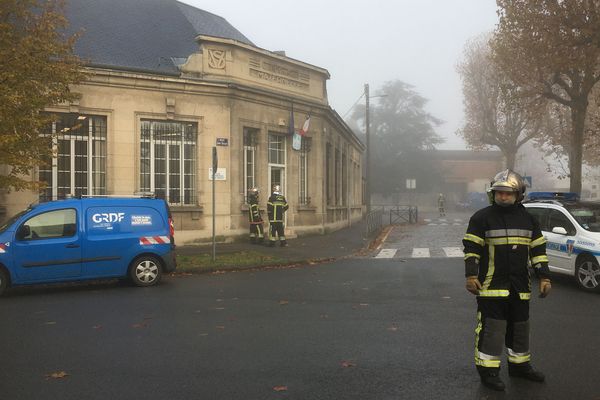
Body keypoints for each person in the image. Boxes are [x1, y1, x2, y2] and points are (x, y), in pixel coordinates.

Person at [463, 169, 551, 391]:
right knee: (492, 330)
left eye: (508, 193)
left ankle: (520, 366)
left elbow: (538, 250)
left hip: (520, 287)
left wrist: (544, 277)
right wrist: (471, 275)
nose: (502, 196)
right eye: (499, 192)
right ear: (493, 194)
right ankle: (488, 372)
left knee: (520, 329)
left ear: (518, 194)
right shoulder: (481, 218)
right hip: (491, 286)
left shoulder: (528, 219)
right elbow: (472, 249)